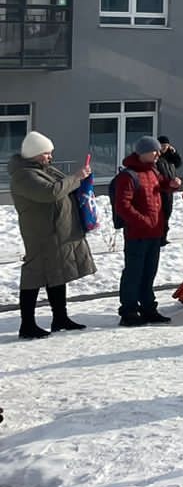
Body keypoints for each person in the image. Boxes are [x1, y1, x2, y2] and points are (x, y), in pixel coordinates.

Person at [9, 131, 94, 338]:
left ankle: (60, 317)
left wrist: (81, 181)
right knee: (34, 275)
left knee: (58, 272)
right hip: (40, 233)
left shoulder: (45, 170)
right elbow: (51, 192)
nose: (50, 157)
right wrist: (76, 177)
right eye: (46, 153)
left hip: (56, 231)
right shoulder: (24, 175)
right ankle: (27, 324)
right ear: (35, 153)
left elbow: (63, 186)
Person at [112, 136, 183, 327]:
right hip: (137, 234)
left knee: (149, 272)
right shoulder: (128, 176)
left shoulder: (153, 170)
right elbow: (123, 206)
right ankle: (129, 311)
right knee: (134, 273)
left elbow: (160, 186)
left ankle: (148, 308)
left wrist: (171, 185)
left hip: (154, 232)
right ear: (143, 152)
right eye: (155, 151)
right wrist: (143, 222)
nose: (159, 154)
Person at [155, 136, 183, 241]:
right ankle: (159, 237)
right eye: (162, 145)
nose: (164, 148)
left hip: (169, 189)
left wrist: (174, 153)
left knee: (167, 212)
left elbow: (178, 163)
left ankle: (164, 236)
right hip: (159, 189)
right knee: (160, 213)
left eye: (165, 146)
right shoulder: (156, 157)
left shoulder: (170, 156)